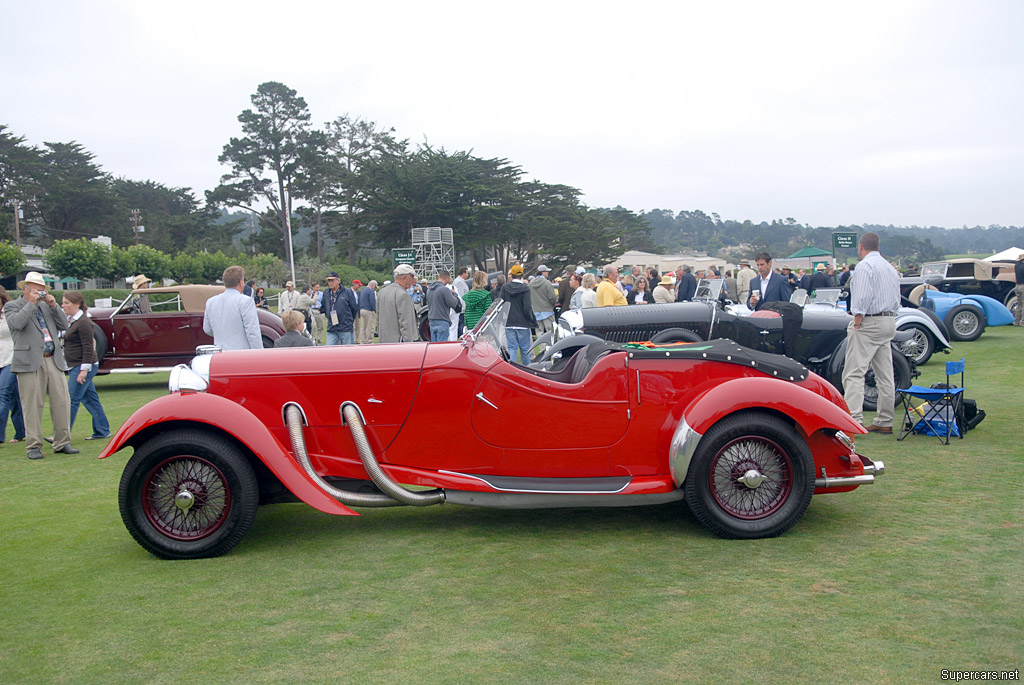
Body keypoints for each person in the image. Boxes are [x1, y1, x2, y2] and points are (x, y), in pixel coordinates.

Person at [2, 272, 76, 459]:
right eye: (36, 289)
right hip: (29, 361)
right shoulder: (12, 306)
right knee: (32, 406)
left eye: (42, 290)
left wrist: (53, 304)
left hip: (53, 358)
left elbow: (63, 325)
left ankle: (62, 442)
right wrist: (30, 304)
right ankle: (33, 446)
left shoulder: (46, 306)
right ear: (25, 289)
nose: (40, 293)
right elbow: (17, 324)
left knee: (62, 402)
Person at [842, 232, 901, 433]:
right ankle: (885, 420)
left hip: (869, 321)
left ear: (861, 247)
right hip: (888, 320)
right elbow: (896, 298)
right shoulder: (889, 268)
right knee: (885, 374)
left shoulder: (864, 266)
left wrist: (857, 319)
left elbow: (863, 295)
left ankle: (853, 420)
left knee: (854, 373)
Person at [60, 291, 110, 440]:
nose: (63, 306)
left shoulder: (84, 322)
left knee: (71, 399)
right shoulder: (73, 320)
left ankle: (62, 434)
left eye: (66, 303)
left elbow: (88, 347)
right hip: (78, 365)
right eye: (62, 303)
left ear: (77, 304)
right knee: (90, 399)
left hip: (82, 366)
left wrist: (84, 370)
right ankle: (102, 430)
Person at [203, 265, 264, 351]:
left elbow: (207, 329)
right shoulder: (246, 301)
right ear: (241, 282)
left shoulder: (210, 302)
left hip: (219, 353)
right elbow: (253, 332)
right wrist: (260, 354)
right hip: (240, 355)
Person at [0, 286, 26, 445]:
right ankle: (21, 432)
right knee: (15, 397)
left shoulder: (10, 312)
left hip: (12, 357)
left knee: (2, 394)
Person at [503, 265, 537, 363]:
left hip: (509, 322)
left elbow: (502, 304)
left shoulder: (505, 288)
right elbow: (527, 307)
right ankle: (526, 370)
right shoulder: (525, 288)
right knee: (525, 349)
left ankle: (513, 370)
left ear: (511, 275)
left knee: (512, 348)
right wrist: (530, 319)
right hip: (522, 323)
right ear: (522, 274)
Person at [378, 264, 419, 343]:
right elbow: (406, 324)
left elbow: (378, 320)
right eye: (412, 277)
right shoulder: (403, 295)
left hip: (383, 342)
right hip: (398, 344)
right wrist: (409, 344)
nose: (413, 281)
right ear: (404, 278)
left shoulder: (381, 292)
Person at [320, 272, 360, 345]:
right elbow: (324, 307)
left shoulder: (347, 292)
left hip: (345, 327)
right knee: (329, 350)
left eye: (332, 280)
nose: (330, 283)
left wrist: (348, 321)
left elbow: (354, 308)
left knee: (348, 352)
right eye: (329, 281)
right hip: (331, 328)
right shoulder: (327, 293)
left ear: (338, 281)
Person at [425, 271, 463, 342]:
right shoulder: (444, 289)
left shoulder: (429, 289)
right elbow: (453, 303)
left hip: (432, 320)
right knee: (441, 347)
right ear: (447, 278)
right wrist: (454, 294)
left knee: (434, 345)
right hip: (442, 320)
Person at [529, 264, 557, 333]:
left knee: (539, 332)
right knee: (551, 332)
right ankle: (551, 344)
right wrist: (553, 305)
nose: (548, 273)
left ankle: (542, 344)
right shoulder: (547, 283)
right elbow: (552, 297)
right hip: (547, 310)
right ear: (543, 272)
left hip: (535, 310)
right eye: (547, 271)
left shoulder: (531, 284)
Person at [1014, 253, 1024, 327]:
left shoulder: (1016, 266)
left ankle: (1016, 321)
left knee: (1019, 304)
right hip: (1023, 286)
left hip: (1017, 286)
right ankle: (1022, 321)